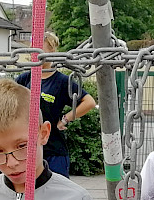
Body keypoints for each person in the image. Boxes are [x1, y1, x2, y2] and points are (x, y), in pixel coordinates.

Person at [14, 31, 96, 177]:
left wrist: (66, 119)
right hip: (28, 148)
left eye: (40, 47)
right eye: (33, 47)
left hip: (54, 150)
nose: (35, 52)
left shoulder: (61, 81)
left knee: (56, 193)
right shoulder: (25, 79)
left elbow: (88, 102)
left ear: (51, 50)